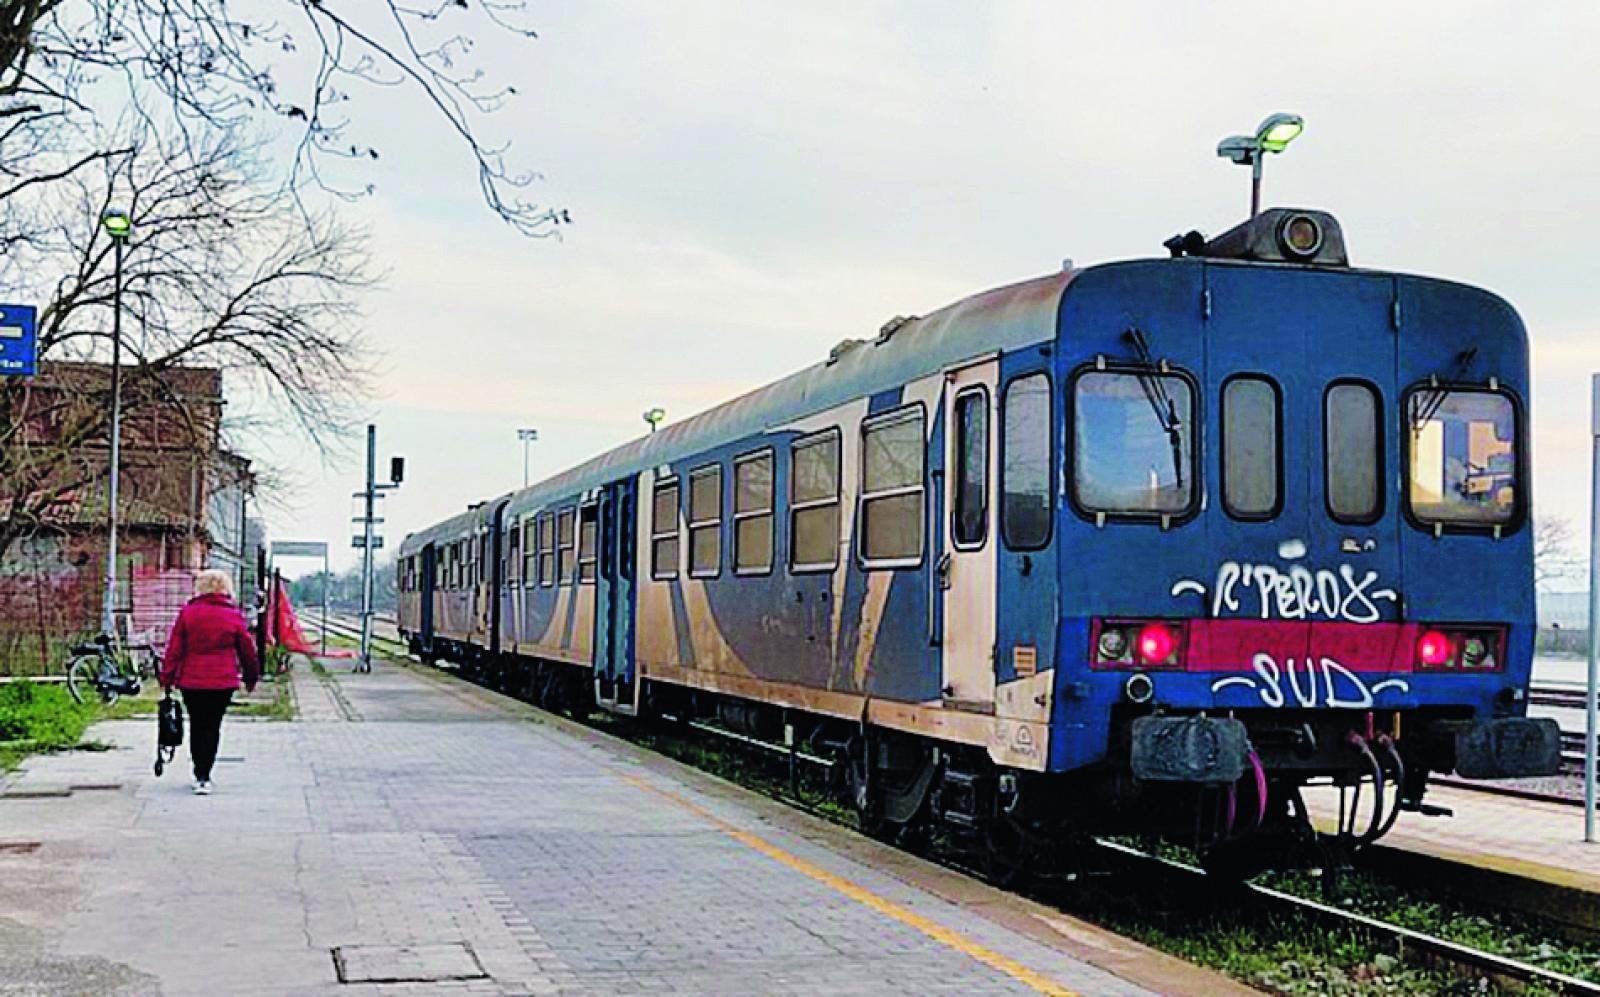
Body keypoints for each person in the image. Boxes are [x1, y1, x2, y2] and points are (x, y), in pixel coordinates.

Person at [159, 569, 260, 795]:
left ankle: (199, 772)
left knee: (197, 724)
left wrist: (167, 677)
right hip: (222, 681)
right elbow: (247, 650)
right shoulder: (232, 615)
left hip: (191, 680)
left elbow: (174, 648)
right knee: (212, 726)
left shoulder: (188, 613)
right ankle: (205, 775)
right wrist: (251, 677)